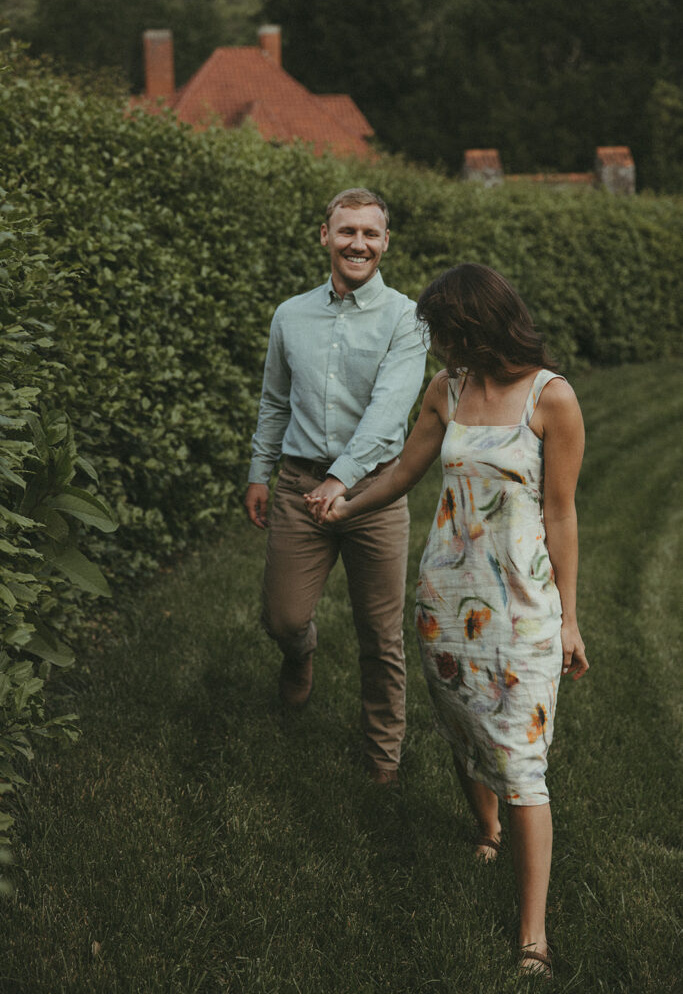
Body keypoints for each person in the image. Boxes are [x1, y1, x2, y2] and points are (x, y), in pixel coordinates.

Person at [306, 263, 588, 979]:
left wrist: (570, 620)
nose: (432, 343)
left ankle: (532, 935)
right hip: (444, 598)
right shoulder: (447, 390)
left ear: (474, 325)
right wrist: (346, 503)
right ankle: (484, 829)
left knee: (522, 765)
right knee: (462, 726)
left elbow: (560, 513)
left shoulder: (550, 399)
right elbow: (404, 472)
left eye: (441, 330)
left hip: (522, 611)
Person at [244, 188, 426, 784]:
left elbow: (389, 411)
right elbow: (274, 402)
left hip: (374, 492)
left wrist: (342, 480)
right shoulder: (290, 316)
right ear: (324, 236)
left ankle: (382, 761)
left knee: (381, 636)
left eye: (371, 234)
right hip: (299, 485)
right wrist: (259, 472)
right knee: (282, 617)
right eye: (347, 231)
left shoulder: (406, 318)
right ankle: (300, 655)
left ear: (386, 243)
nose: (359, 243)